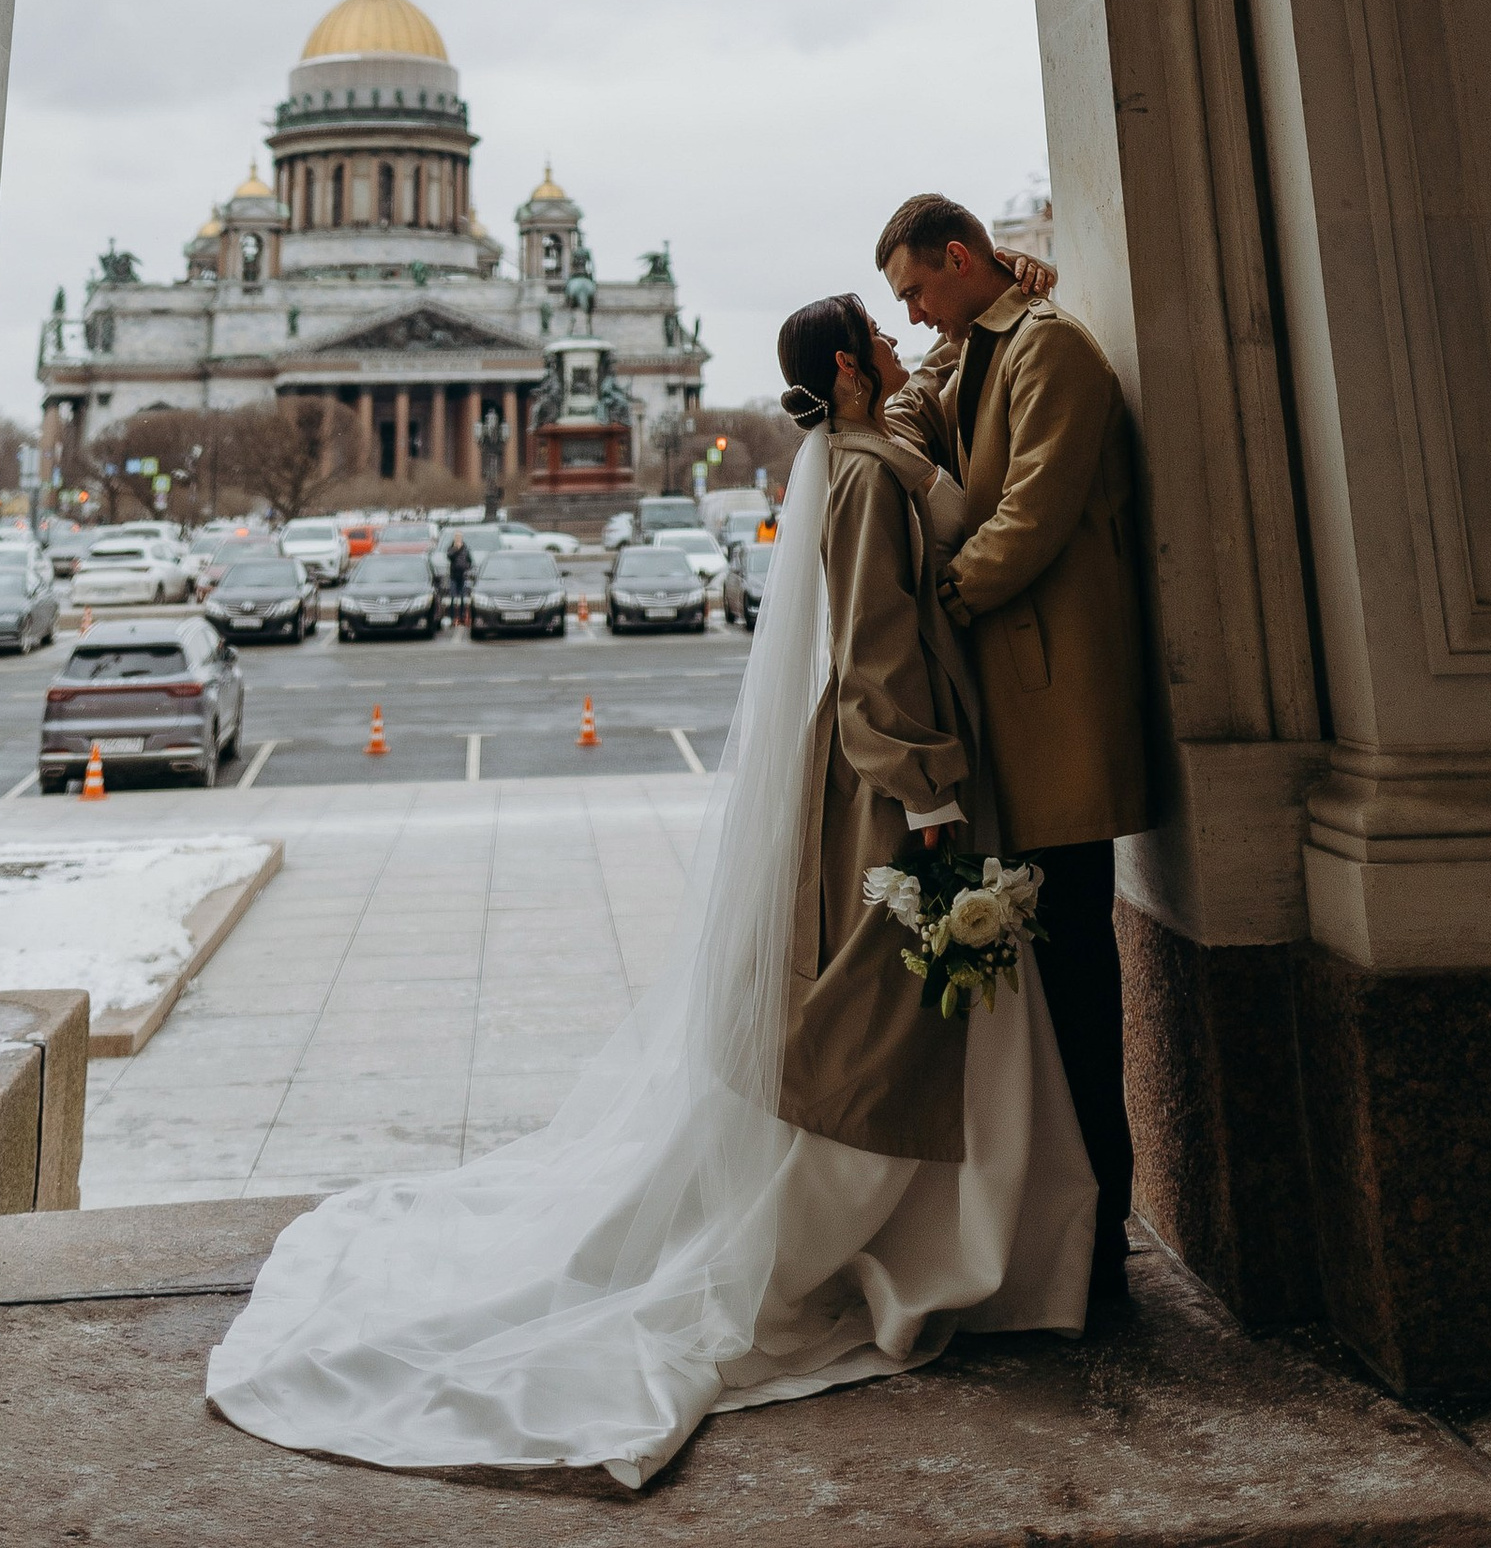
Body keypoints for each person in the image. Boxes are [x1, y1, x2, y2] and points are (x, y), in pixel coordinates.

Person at [204, 288, 1091, 1484]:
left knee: (924, 1016)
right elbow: (876, 646)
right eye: (877, 336)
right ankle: (947, 1250)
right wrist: (928, 794)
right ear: (842, 368)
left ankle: (979, 1243)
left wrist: (986, 313)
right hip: (900, 786)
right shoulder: (863, 474)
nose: (897, 340)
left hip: (906, 767)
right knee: (894, 1018)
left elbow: (919, 415)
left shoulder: (863, 447)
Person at [876, 192, 1147, 1329]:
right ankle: (1064, 1237)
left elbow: (1031, 510)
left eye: (920, 291)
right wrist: (943, 340)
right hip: (1020, 715)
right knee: (1048, 989)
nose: (916, 313)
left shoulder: (1055, 351)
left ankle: (1103, 1251)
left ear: (957, 257)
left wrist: (943, 595)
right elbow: (905, 422)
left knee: (1081, 985)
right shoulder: (984, 349)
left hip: (1058, 711)